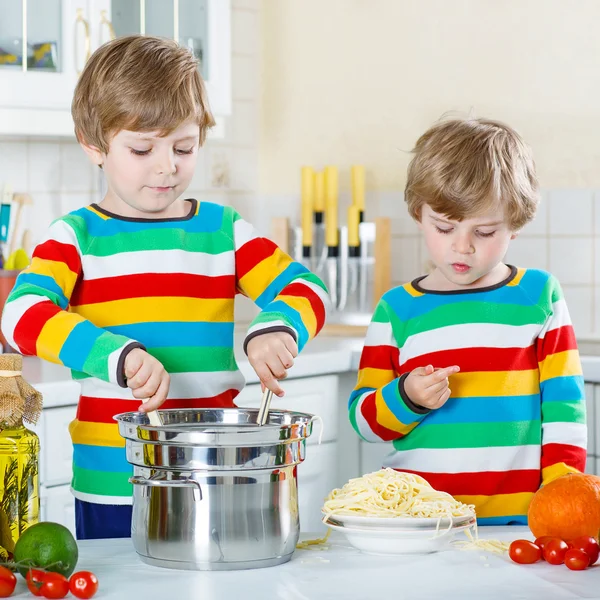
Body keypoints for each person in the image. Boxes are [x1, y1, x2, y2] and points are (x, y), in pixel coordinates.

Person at [1, 35, 329, 539]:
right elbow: (21, 314)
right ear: (94, 146)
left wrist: (276, 329)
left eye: (183, 147)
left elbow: (306, 288)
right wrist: (119, 356)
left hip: (216, 472)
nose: (166, 165)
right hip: (114, 478)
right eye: (141, 148)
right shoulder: (77, 236)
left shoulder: (223, 231)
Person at [349, 117, 585, 525]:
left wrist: (562, 493)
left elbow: (565, 408)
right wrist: (406, 396)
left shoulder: (538, 297)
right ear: (418, 214)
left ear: (515, 225)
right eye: (444, 227)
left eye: (485, 231)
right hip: (421, 525)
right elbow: (365, 422)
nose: (462, 245)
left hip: (516, 527)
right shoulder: (397, 309)